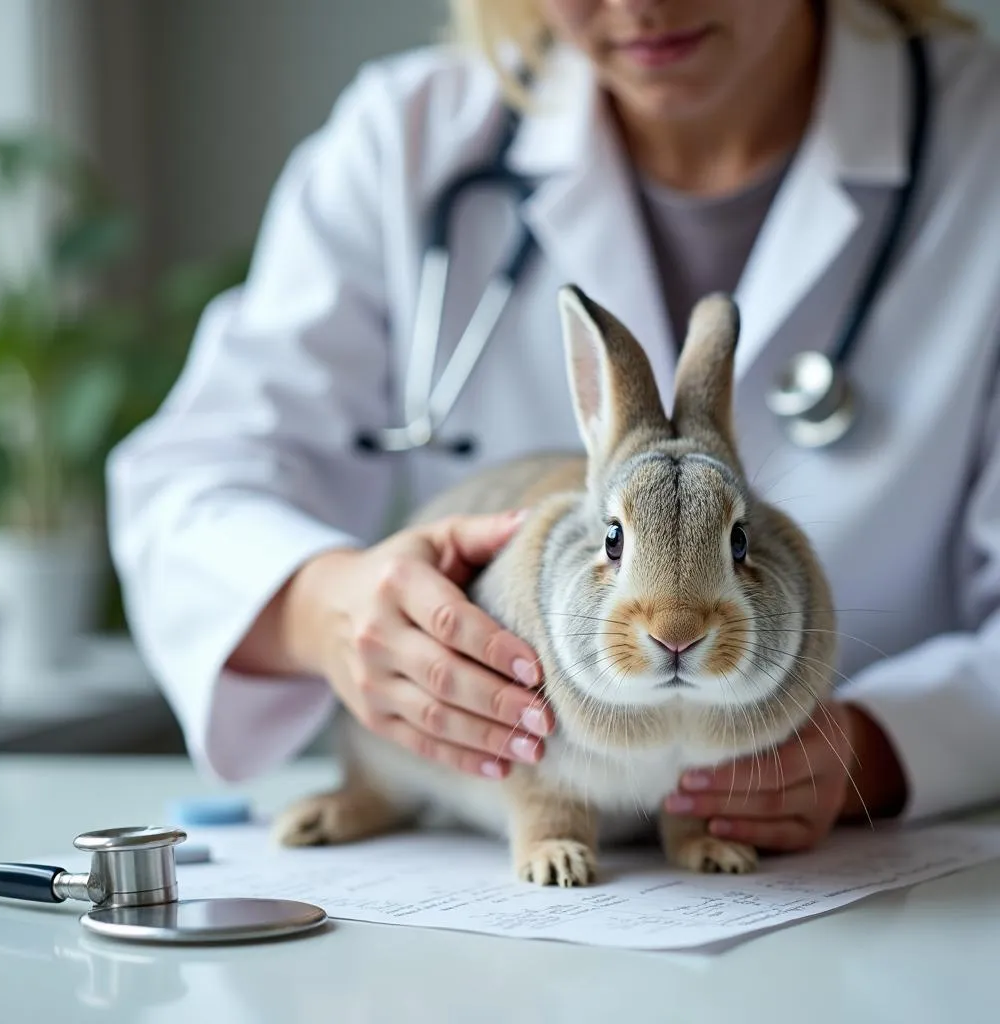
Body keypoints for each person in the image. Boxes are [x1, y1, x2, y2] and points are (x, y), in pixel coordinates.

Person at [106, 0, 1000, 855]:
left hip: (881, 876)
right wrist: (328, 609)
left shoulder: (977, 135)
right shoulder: (413, 136)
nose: (638, 4)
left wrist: (876, 749)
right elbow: (190, 484)